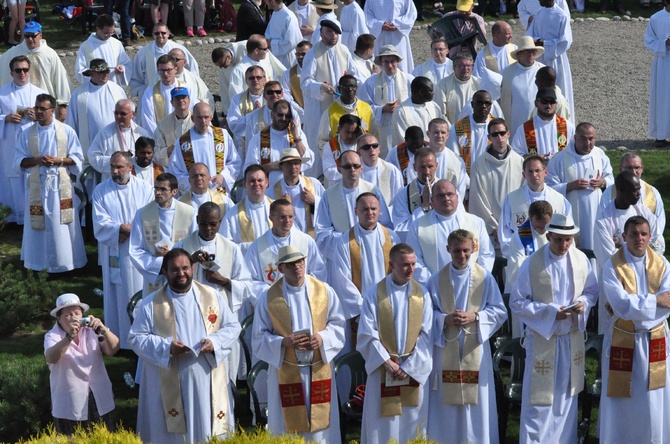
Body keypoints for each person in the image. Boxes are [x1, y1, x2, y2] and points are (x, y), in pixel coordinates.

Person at [129, 248, 241, 443]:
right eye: (174, 270)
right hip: (169, 378)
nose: (181, 273)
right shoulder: (151, 304)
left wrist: (213, 342)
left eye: (185, 268)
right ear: (164, 272)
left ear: (192, 268)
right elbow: (136, 338)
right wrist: (167, 347)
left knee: (207, 427)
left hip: (205, 377)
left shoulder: (212, 296)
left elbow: (233, 326)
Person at [510, 213, 598, 444]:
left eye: (568, 239)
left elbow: (591, 292)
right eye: (559, 239)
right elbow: (517, 302)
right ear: (548, 236)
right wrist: (551, 313)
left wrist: (583, 304)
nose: (564, 245)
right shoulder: (531, 263)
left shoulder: (581, 260)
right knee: (538, 402)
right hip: (543, 339)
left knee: (565, 398)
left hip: (570, 338)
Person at [252, 245, 345, 443]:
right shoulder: (268, 298)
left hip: (319, 366)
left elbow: (338, 324)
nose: (297, 267)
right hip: (286, 370)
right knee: (287, 428)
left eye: (300, 261)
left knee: (321, 430)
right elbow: (259, 338)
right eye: (291, 264)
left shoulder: (324, 291)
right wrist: (283, 342)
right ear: (281, 268)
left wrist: (323, 339)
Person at [426, 229, 507, 443]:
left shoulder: (485, 278)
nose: (461, 256)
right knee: (447, 402)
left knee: (476, 401)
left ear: (474, 249)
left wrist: (476, 315)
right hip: (446, 347)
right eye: (456, 251)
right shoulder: (436, 280)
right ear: (447, 250)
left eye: (466, 251)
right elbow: (426, 314)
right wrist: (444, 319)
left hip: (475, 348)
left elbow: (499, 311)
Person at [598, 215, 670, 443]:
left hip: (654, 341)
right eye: (633, 234)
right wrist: (654, 302)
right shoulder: (612, 265)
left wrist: (640, 305)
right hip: (624, 339)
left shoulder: (663, 265)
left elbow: (667, 304)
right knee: (623, 402)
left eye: (643, 234)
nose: (639, 238)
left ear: (650, 236)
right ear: (623, 237)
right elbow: (620, 306)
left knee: (654, 397)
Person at [356, 243, 432, 444]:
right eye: (405, 265)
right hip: (383, 368)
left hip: (412, 369)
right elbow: (367, 333)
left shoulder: (422, 294)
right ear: (391, 264)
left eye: (414, 264)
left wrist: (408, 367)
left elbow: (427, 335)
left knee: (411, 422)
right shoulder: (374, 293)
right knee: (383, 424)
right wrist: (387, 362)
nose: (411, 269)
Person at [175, 202, 252, 376]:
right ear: (197, 220)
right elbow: (169, 277)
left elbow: (247, 285)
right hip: (190, 314)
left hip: (220, 314)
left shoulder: (231, 248)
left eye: (213, 224)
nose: (208, 228)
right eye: (203, 223)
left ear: (220, 222)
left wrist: (223, 281)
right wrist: (189, 261)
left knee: (223, 372)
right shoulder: (182, 247)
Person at [14, 93, 87, 273]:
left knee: (61, 224)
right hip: (37, 186)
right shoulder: (26, 133)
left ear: (52, 111)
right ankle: (38, 263)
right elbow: (19, 161)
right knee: (38, 224)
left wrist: (58, 161)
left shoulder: (66, 131)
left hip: (59, 186)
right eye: (36, 107)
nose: (38, 111)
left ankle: (66, 263)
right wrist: (38, 160)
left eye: (42, 108)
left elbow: (77, 158)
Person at [92, 151, 153, 348]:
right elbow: (101, 222)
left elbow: (150, 217)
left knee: (140, 291)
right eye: (112, 167)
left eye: (119, 167)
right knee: (117, 294)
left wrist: (129, 230)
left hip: (139, 252)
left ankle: (141, 335)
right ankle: (117, 337)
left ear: (130, 167)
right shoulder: (101, 190)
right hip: (115, 251)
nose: (115, 171)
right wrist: (121, 229)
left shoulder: (144, 188)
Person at [330, 192, 400, 352]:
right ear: (356, 211)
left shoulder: (392, 238)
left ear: (380, 210)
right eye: (365, 209)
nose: (370, 212)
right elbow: (342, 280)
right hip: (360, 315)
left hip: (389, 310)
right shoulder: (345, 241)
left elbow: (400, 274)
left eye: (374, 208)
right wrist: (364, 311)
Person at [45, 293, 119, 435]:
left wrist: (104, 330)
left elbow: (113, 349)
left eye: (77, 313)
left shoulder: (91, 331)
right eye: (68, 315)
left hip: (100, 398)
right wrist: (70, 337)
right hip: (69, 404)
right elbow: (51, 357)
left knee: (105, 438)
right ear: (59, 319)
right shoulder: (52, 336)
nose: (74, 318)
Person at [406, 179, 494, 283]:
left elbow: (486, 254)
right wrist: (432, 283)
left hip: (471, 284)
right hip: (434, 288)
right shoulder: (418, 226)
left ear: (457, 198)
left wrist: (478, 278)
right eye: (441, 196)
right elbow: (414, 259)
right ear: (432, 200)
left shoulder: (476, 222)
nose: (446, 199)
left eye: (450, 194)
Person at [546, 122, 613, 250]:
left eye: (591, 138)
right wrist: (569, 186)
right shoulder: (560, 158)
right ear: (575, 138)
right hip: (570, 214)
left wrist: (602, 182)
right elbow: (548, 187)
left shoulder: (600, 155)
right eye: (583, 138)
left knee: (595, 247)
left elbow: (611, 179)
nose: (587, 143)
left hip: (595, 213)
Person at [301, 19, 360, 163]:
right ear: (321, 34)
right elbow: (305, 82)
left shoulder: (344, 50)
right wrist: (320, 87)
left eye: (335, 32)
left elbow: (354, 74)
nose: (333, 35)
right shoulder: (313, 54)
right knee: (320, 140)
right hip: (320, 107)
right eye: (329, 32)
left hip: (341, 104)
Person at [246, 198, 326, 303]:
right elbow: (250, 281)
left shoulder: (306, 241)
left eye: (290, 217)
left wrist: (300, 288)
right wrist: (275, 293)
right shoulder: (257, 247)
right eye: (282, 217)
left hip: (303, 298)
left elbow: (318, 271)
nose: (287, 221)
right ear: (271, 218)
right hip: (273, 302)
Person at [129, 172, 196, 295]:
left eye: (163, 189)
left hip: (181, 273)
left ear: (174, 192)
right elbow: (135, 249)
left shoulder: (188, 212)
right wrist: (160, 262)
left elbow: (194, 244)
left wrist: (172, 257)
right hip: (157, 273)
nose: (158, 192)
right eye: (156, 188)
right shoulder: (142, 214)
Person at [315, 150, 392, 255]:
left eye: (356, 166)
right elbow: (322, 232)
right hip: (342, 253)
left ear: (361, 168)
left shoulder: (372, 190)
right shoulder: (328, 195)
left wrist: (368, 237)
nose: (352, 169)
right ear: (339, 169)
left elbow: (386, 225)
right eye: (347, 166)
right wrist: (348, 240)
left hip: (371, 251)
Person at [0, 55, 47, 224]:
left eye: (25, 70)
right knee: (12, 178)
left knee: (32, 177)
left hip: (32, 144)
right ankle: (13, 217)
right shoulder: (2, 94)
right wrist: (5, 119)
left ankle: (33, 215)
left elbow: (50, 120)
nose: (22, 73)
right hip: (9, 145)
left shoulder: (39, 94)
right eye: (18, 70)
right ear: (11, 72)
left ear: (29, 71)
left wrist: (38, 116)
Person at [498, 155, 571, 258]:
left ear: (545, 172)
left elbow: (567, 230)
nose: (534, 175)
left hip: (553, 257)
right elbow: (504, 231)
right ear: (524, 174)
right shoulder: (512, 199)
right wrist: (515, 254)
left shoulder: (559, 200)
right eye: (530, 171)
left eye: (537, 171)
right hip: (521, 256)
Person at [469, 118, 525, 253]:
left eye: (502, 133)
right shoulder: (479, 164)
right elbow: (477, 199)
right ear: (489, 137)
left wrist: (513, 227)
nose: (499, 138)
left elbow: (524, 195)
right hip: (491, 233)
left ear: (508, 133)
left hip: (515, 230)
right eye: (494, 134)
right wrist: (494, 228)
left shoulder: (519, 162)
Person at [0, 22, 71, 121]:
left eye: (33, 36)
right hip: (23, 102)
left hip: (45, 103)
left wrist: (63, 104)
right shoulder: (14, 52)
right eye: (27, 36)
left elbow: (60, 79)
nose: (30, 39)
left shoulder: (50, 54)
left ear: (40, 35)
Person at [170, 102, 241, 195]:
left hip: (219, 191)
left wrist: (223, 176)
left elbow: (235, 162)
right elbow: (175, 171)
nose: (203, 121)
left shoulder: (222, 135)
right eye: (199, 117)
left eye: (206, 117)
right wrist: (194, 182)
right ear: (192, 118)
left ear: (211, 117)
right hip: (194, 193)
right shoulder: (183, 142)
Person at [505, 200, 552, 336]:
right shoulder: (519, 238)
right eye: (539, 227)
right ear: (531, 218)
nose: (543, 230)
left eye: (546, 226)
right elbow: (517, 268)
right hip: (528, 293)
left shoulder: (555, 233)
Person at [66, 59, 127, 159]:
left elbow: (127, 116)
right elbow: (71, 123)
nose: (105, 74)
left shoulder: (117, 90)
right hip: (90, 145)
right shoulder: (79, 95)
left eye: (106, 71)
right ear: (91, 73)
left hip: (115, 143)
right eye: (101, 72)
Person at [245, 99, 313, 186]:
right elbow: (250, 170)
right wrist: (271, 166)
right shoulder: (258, 139)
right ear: (272, 115)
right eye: (280, 115)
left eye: (287, 116)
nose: (284, 119)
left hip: (293, 189)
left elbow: (308, 161)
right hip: (269, 192)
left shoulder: (297, 135)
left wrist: (296, 138)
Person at [360, 45, 414, 154]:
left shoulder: (409, 80)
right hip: (381, 128)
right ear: (381, 62)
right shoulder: (371, 82)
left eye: (392, 61)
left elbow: (415, 104)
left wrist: (401, 109)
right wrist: (382, 109)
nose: (389, 65)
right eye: (386, 62)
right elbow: (363, 107)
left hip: (403, 126)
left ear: (398, 61)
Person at [316, 74, 377, 161]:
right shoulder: (330, 112)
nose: (350, 89)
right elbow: (322, 142)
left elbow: (374, 135)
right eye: (346, 86)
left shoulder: (366, 108)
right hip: (340, 162)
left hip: (363, 160)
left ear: (357, 88)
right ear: (339, 89)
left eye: (353, 86)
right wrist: (335, 160)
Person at [130, 24, 199, 101]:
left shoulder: (179, 50)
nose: (160, 35)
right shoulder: (143, 53)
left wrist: (190, 85)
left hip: (177, 93)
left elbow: (192, 69)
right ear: (153, 34)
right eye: (157, 33)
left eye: (163, 33)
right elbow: (136, 74)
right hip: (151, 94)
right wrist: (141, 91)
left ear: (168, 34)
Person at [600, 152, 665, 232]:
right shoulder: (609, 193)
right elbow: (603, 219)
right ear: (620, 169)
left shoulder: (652, 192)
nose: (633, 172)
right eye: (629, 168)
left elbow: (659, 221)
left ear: (642, 168)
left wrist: (646, 241)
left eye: (637, 168)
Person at [88, 99, 151, 182]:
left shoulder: (142, 133)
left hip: (137, 181)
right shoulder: (105, 133)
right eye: (116, 113)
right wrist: (117, 162)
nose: (118, 116)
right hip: (113, 181)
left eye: (123, 114)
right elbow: (92, 157)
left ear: (133, 114)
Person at [267, 148, 325, 235]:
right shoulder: (271, 191)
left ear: (301, 166)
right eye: (289, 164)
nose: (293, 167)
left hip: (313, 237)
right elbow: (268, 217)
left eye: (296, 163)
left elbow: (328, 207)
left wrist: (314, 200)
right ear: (281, 167)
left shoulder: (314, 184)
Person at [406, 118, 469, 195]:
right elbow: (413, 187)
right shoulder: (417, 159)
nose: (439, 136)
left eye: (443, 132)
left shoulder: (457, 161)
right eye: (436, 132)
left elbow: (460, 190)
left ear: (447, 135)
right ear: (428, 134)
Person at [220, 164, 273, 252]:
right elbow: (226, 246)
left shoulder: (277, 209)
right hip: (246, 263)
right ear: (244, 184)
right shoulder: (233, 215)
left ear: (266, 182)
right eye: (252, 181)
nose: (256, 184)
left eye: (260, 180)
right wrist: (253, 247)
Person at [500, 36, 545, 139]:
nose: (531, 54)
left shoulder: (543, 70)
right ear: (519, 54)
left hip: (538, 117)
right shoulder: (507, 73)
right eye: (527, 51)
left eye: (533, 51)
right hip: (515, 120)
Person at [511, 88, 575, 159]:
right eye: (544, 101)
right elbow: (515, 155)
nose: (548, 105)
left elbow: (575, 151)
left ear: (556, 104)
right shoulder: (523, 129)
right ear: (536, 103)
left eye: (552, 102)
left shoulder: (568, 127)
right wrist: (535, 159)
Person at [391, 147, 439, 240]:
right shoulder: (403, 195)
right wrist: (423, 208)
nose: (427, 171)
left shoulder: (447, 190)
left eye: (430, 166)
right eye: (422, 167)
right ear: (414, 167)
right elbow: (400, 229)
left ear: (436, 166)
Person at [141, 55, 195, 134]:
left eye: (168, 70)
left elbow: (192, 112)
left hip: (185, 135)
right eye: (161, 70)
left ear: (175, 69)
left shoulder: (187, 89)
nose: (165, 74)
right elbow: (148, 120)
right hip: (161, 139)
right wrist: (160, 138)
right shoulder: (150, 93)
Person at [446, 90, 496, 174]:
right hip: (465, 177)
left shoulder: (497, 127)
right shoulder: (457, 128)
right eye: (479, 103)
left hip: (490, 176)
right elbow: (453, 157)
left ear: (491, 106)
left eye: (487, 103)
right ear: (472, 105)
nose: (483, 106)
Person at [75, 15, 132, 87]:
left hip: (114, 87)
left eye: (112, 33)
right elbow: (80, 70)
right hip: (95, 88)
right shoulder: (86, 46)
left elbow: (127, 63)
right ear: (98, 28)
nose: (109, 36)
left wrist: (122, 68)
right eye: (106, 33)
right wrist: (95, 74)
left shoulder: (116, 44)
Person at [364, 0, 417, 73]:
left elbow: (411, 13)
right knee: (381, 65)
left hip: (398, 36)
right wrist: (380, 25)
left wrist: (397, 24)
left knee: (401, 64)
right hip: (381, 36)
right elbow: (367, 15)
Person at [229, 35, 285, 102]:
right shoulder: (239, 70)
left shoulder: (266, 63)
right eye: (265, 49)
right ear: (256, 51)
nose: (267, 51)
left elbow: (275, 84)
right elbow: (236, 97)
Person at [645, 0, 670, 146]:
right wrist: (664, 43)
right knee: (663, 98)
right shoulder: (656, 18)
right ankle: (661, 135)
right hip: (664, 63)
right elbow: (649, 41)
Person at [391, 76, 442, 147]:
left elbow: (442, 129)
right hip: (412, 154)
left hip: (434, 151)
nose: (433, 93)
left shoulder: (434, 107)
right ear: (421, 92)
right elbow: (401, 139)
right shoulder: (401, 112)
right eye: (430, 91)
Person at [358, 133, 404, 208]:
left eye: (374, 146)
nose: (371, 149)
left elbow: (398, 199)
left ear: (379, 149)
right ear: (359, 152)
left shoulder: (392, 170)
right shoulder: (354, 170)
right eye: (366, 147)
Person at [153, 87, 193, 168]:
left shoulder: (199, 119)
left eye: (183, 97)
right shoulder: (163, 124)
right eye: (177, 98)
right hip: (173, 168)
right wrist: (168, 150)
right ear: (172, 102)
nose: (181, 100)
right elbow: (155, 151)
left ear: (189, 100)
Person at [434, 52, 479, 125]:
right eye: (461, 66)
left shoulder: (479, 83)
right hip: (452, 129)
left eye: (468, 66)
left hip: (474, 127)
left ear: (472, 67)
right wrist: (452, 130)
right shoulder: (442, 84)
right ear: (454, 67)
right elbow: (440, 112)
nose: (465, 69)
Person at [322, 114, 364, 184]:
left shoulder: (362, 144)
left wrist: (364, 139)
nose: (350, 136)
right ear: (339, 129)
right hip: (337, 187)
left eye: (354, 132)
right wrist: (351, 175)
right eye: (347, 132)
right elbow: (329, 171)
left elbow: (369, 166)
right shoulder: (330, 145)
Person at [265, 0, 302, 68]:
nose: (265, 3)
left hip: (286, 59)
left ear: (273, 2)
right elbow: (269, 32)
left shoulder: (289, 16)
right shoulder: (275, 13)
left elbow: (292, 42)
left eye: (267, 1)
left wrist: (272, 43)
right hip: (273, 56)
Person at [212, 42, 247, 114]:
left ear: (228, 57)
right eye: (219, 66)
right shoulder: (221, 65)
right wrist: (227, 113)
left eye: (222, 64)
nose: (221, 67)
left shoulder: (244, 48)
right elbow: (224, 88)